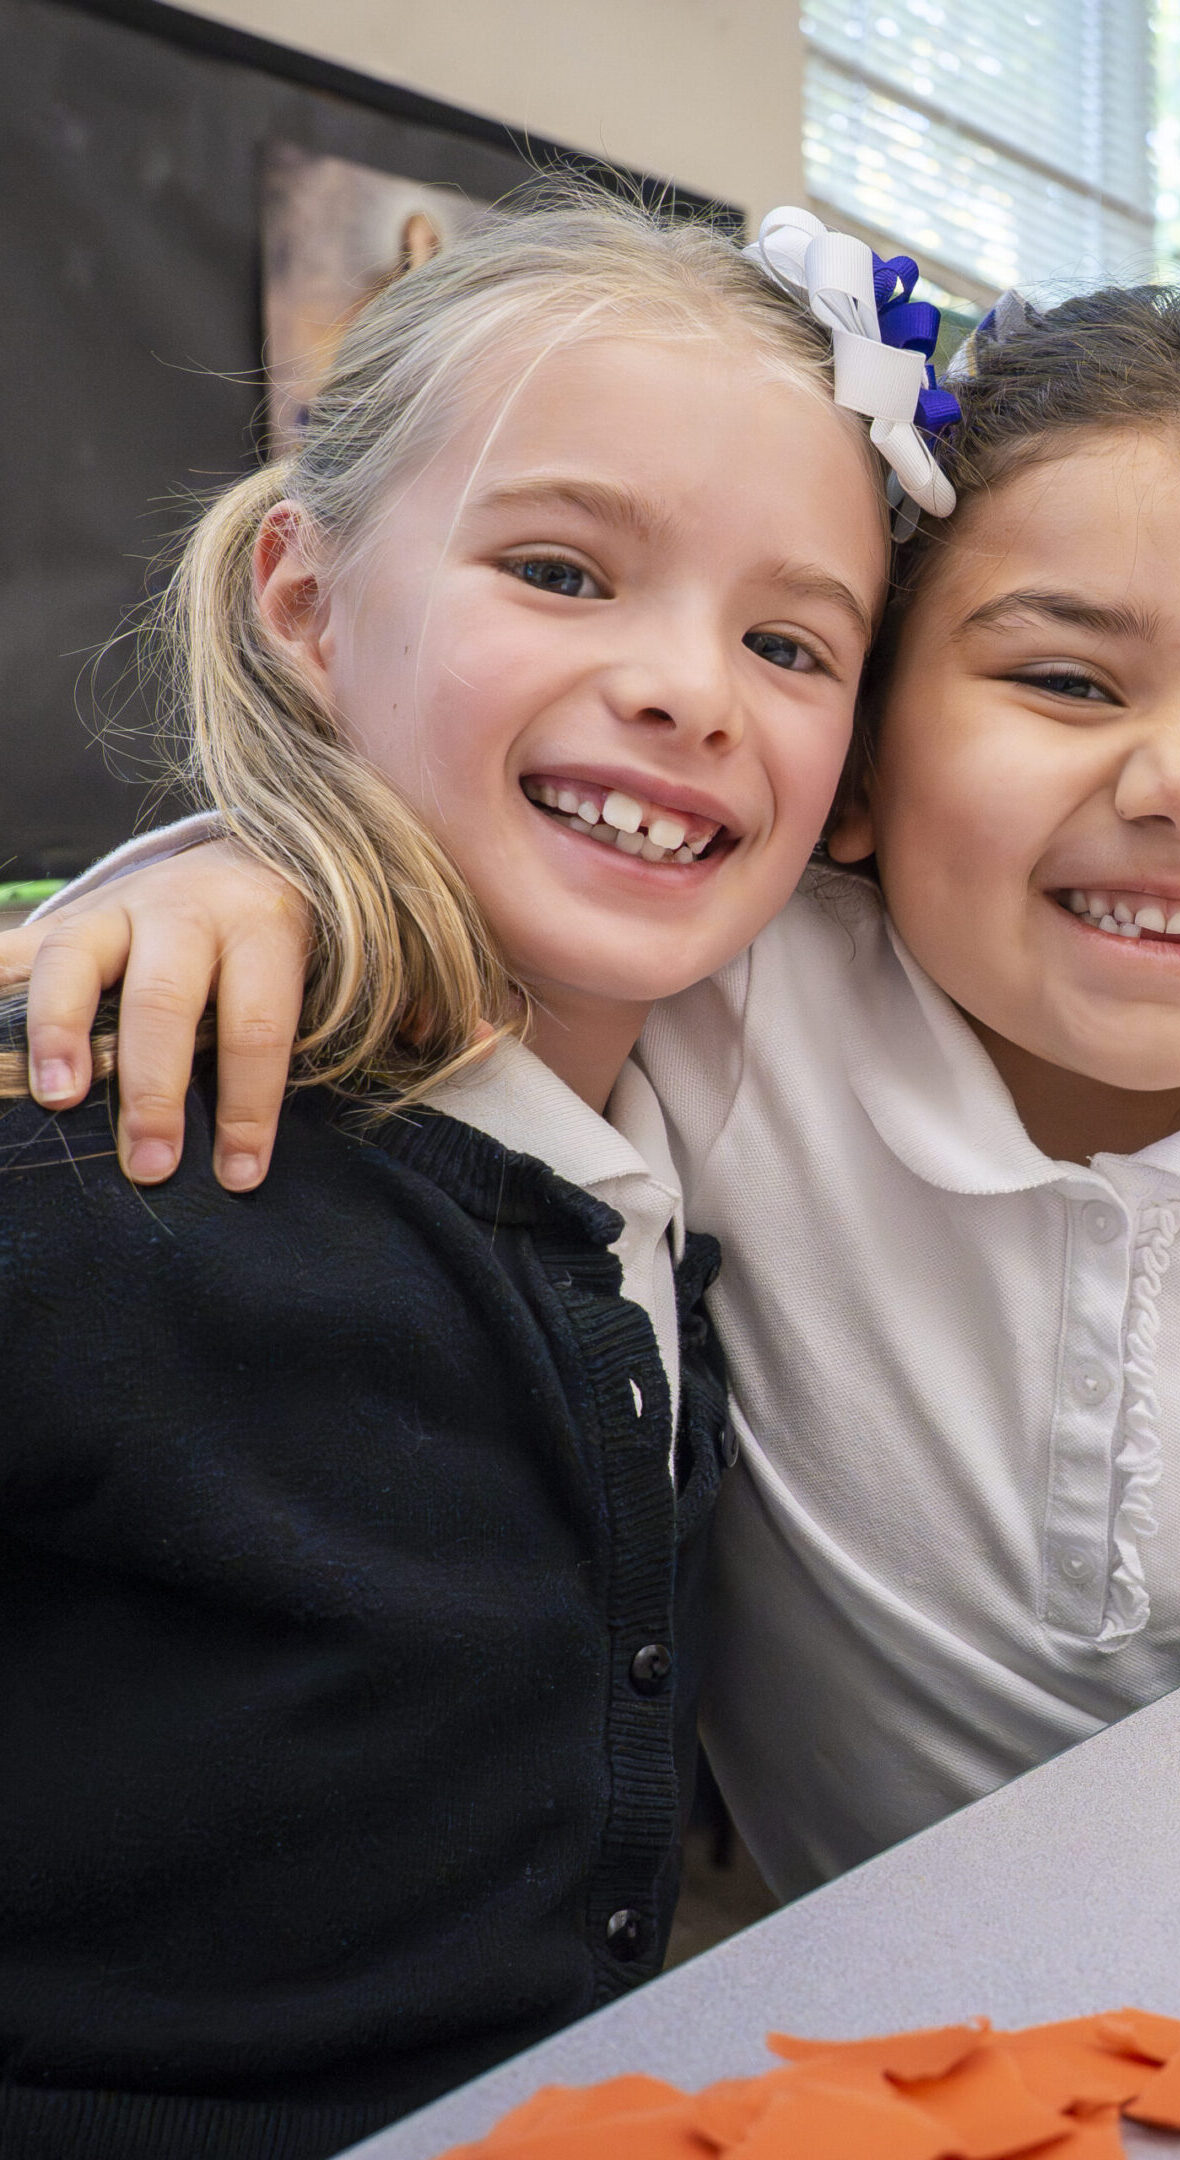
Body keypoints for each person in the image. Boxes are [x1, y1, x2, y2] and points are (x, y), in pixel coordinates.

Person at [6, 285, 1180, 1906]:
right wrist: (238, 869)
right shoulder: (734, 1006)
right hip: (871, 2006)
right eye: (1067, 681)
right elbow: (501, 856)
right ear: (855, 768)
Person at [0, 182, 904, 2157]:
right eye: (566, 573)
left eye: (789, 639)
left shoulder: (681, 1140)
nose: (691, 686)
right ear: (309, 607)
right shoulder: (91, 1130)